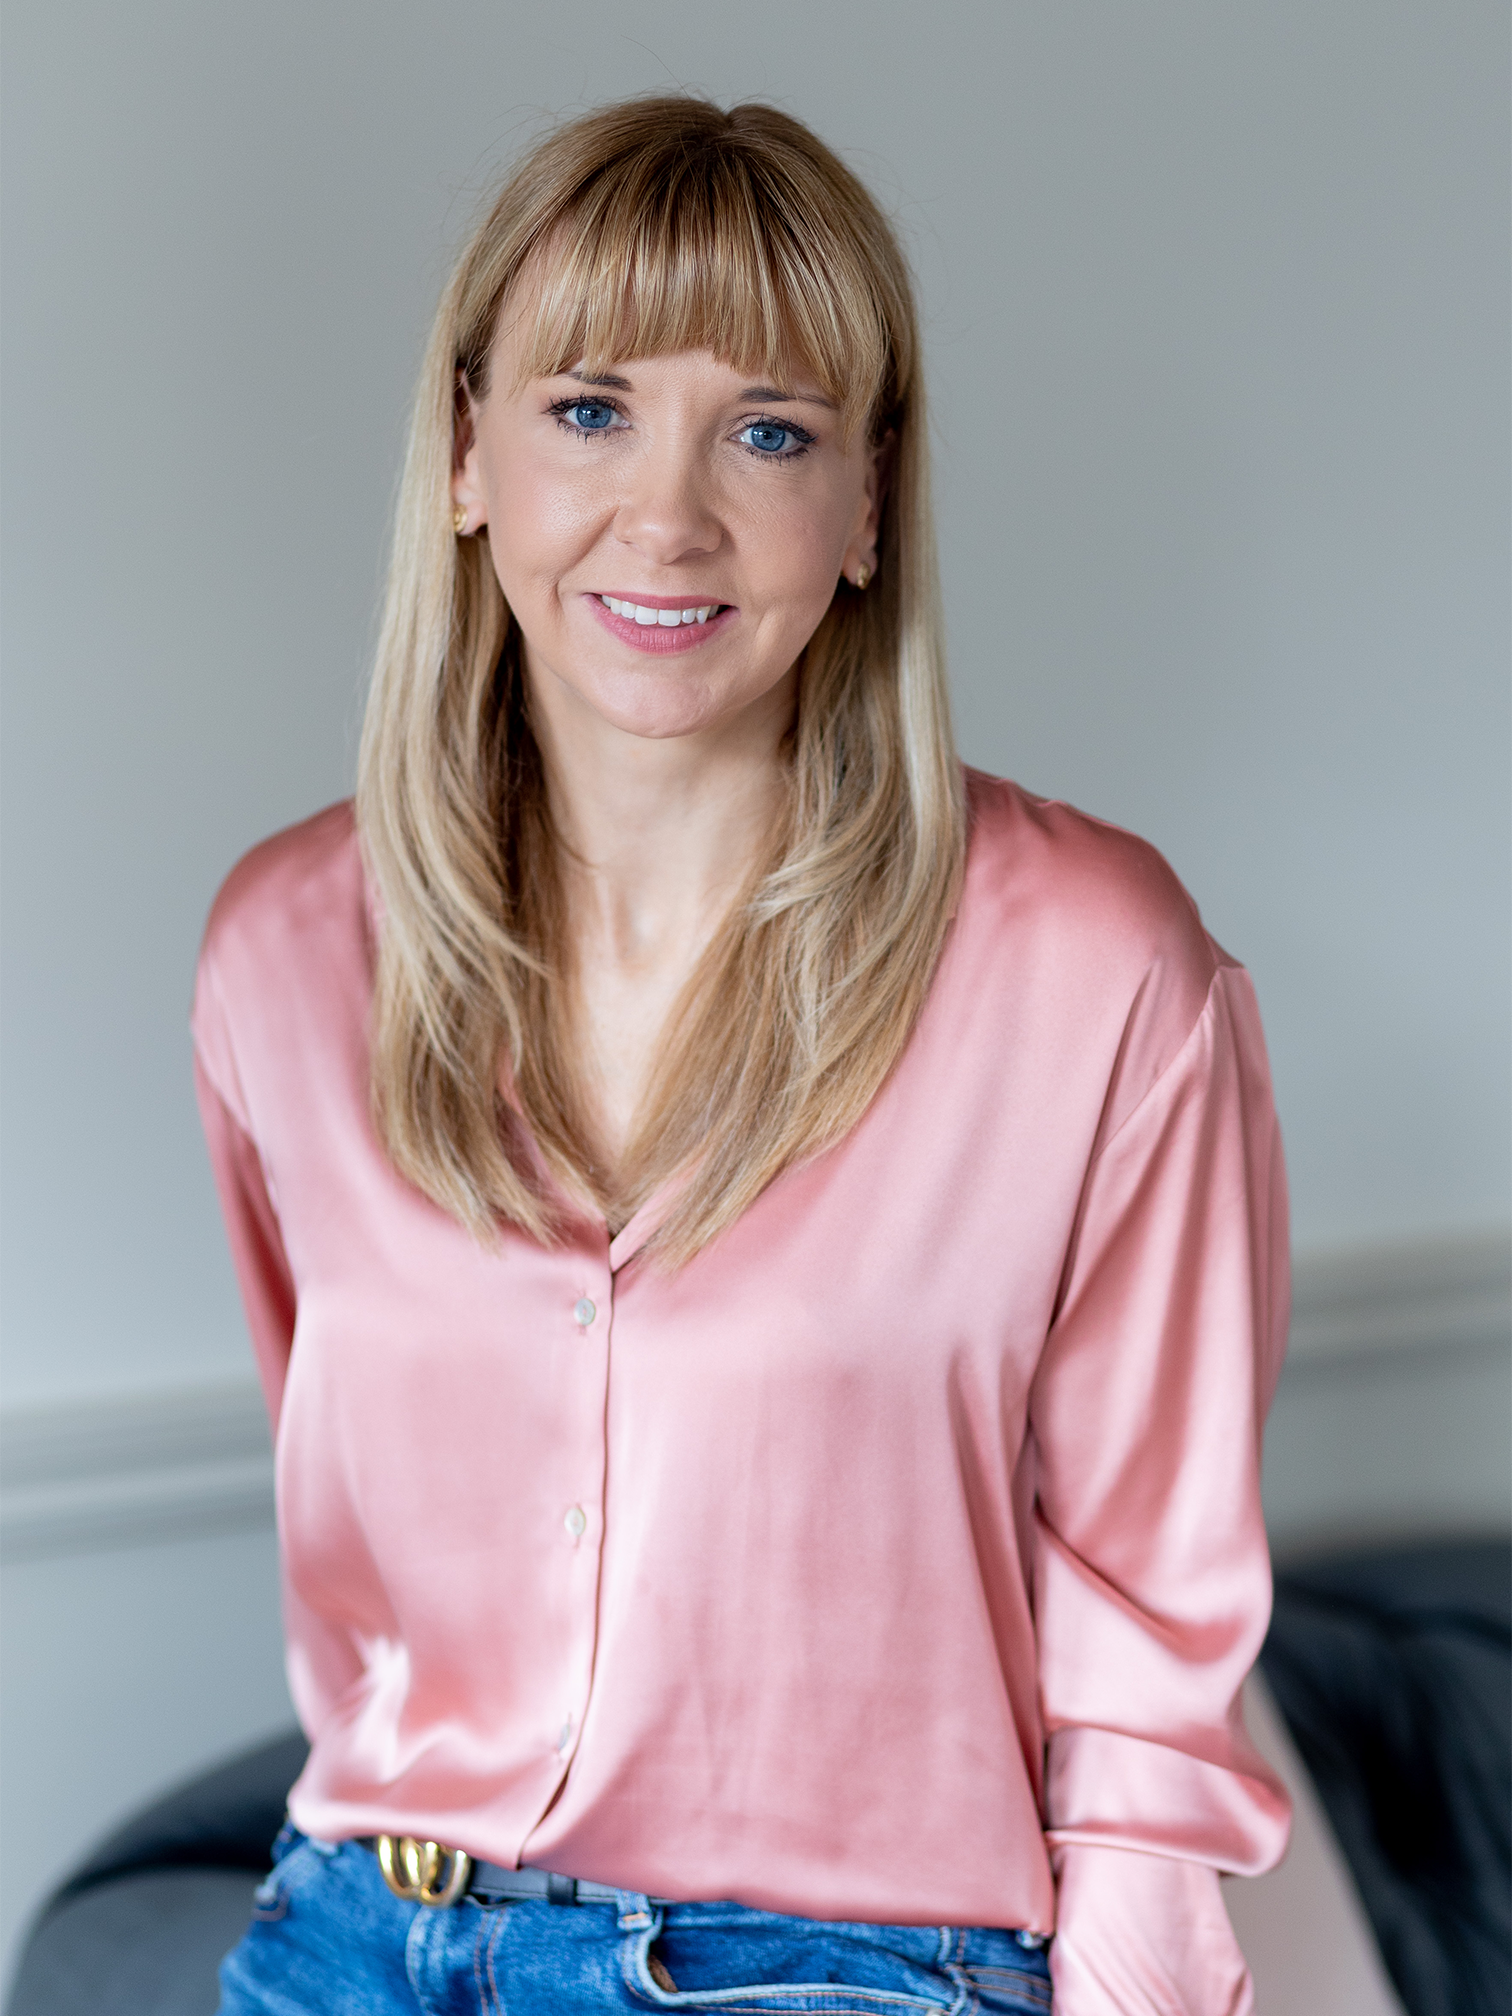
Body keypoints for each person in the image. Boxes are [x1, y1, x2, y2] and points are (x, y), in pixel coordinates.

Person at [195, 95, 1291, 2016]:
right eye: (590, 408)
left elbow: (1148, 1658)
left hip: (840, 1966)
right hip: (356, 1931)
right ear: (468, 455)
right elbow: (339, 1559)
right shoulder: (284, 957)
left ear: (867, 506)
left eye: (768, 432)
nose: (670, 514)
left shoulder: (1105, 978)